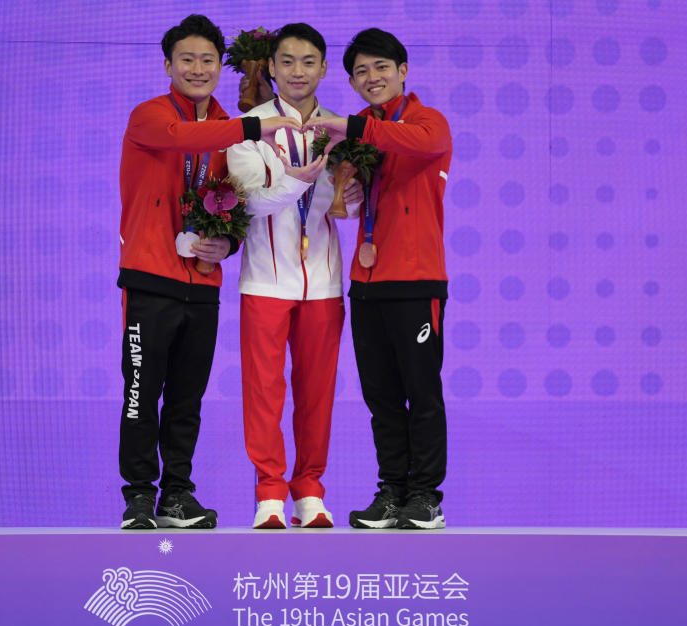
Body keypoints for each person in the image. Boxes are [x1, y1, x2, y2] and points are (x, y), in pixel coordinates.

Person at [117, 14, 300, 530]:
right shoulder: (149, 116)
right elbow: (182, 138)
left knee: (186, 397)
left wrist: (229, 241)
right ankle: (137, 496)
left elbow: (237, 200)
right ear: (168, 64)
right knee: (141, 391)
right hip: (150, 276)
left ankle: (177, 494)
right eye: (187, 59)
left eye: (207, 60)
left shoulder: (227, 127)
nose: (198, 69)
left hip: (202, 281)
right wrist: (254, 123)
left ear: (221, 65)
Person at [306, 28, 452, 529]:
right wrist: (338, 188)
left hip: (417, 279)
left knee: (421, 390)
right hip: (366, 281)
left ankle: (426, 496)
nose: (373, 78)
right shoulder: (355, 129)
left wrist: (349, 128)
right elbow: (342, 204)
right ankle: (391, 491)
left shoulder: (426, 122)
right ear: (350, 80)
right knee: (381, 395)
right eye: (361, 72)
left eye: (382, 68)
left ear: (403, 71)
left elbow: (423, 144)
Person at [227, 23, 362, 529]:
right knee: (263, 388)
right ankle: (268, 494)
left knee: (317, 390)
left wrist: (351, 198)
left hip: (324, 283)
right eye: (287, 61)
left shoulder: (346, 131)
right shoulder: (247, 128)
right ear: (272, 67)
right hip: (265, 279)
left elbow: (347, 205)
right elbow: (248, 203)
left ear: (325, 68)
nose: (298, 71)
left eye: (309, 62)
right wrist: (294, 183)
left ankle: (309, 490)